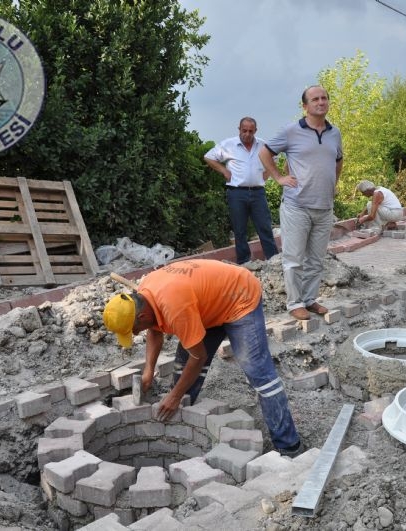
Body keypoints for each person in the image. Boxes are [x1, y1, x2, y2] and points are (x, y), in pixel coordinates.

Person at [102, 259, 304, 457]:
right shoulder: (143, 296)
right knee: (182, 372)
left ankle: (288, 445)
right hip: (208, 304)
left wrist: (174, 396)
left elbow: (199, 357)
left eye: (133, 330)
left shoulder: (175, 308)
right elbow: (154, 331)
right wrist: (148, 372)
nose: (135, 334)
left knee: (258, 372)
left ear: (141, 317)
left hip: (239, 296)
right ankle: (182, 423)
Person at [258, 85, 343, 321]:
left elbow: (338, 160)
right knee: (294, 259)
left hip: (324, 207)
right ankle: (294, 303)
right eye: (315, 99)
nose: (321, 102)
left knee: (316, 260)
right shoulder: (290, 131)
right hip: (297, 206)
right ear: (305, 106)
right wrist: (278, 177)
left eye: (324, 98)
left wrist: (333, 185)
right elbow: (265, 152)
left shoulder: (334, 133)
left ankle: (309, 300)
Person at [204, 117, 279, 264]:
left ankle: (273, 259)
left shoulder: (263, 145)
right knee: (240, 230)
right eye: (244, 130)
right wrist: (224, 171)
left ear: (255, 131)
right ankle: (245, 263)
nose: (247, 134)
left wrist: (267, 174)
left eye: (251, 131)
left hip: (258, 192)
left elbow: (274, 159)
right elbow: (208, 157)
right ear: (239, 129)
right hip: (237, 193)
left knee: (265, 227)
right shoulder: (228, 145)